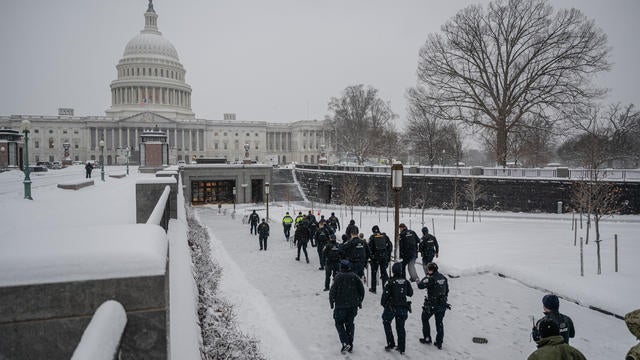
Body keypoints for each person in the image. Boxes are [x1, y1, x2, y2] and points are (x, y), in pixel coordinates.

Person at [329, 259, 365, 354]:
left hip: (340, 306)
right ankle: (350, 344)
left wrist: (331, 302)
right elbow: (362, 290)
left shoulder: (338, 277)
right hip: (352, 306)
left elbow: (332, 290)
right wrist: (359, 301)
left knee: (339, 323)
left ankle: (345, 342)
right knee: (350, 324)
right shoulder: (355, 276)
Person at [381, 262, 413, 354]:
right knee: (401, 327)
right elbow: (410, 293)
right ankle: (401, 347)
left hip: (392, 307)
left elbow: (384, 297)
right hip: (403, 307)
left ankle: (391, 343)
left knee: (386, 322)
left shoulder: (390, 282)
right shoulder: (405, 281)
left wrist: (384, 304)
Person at [417, 262, 449, 350]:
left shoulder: (430, 278)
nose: (428, 271)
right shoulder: (443, 277)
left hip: (432, 305)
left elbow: (420, 286)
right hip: (442, 304)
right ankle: (439, 342)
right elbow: (447, 290)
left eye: (428, 270)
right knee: (439, 323)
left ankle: (427, 338)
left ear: (431, 270)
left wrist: (426, 276)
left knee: (424, 318)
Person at [368, 225, 392, 293]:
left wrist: (371, 257)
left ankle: (373, 288)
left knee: (374, 273)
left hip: (375, 258)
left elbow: (370, 248)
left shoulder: (372, 237)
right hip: (383, 257)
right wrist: (387, 256)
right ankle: (385, 288)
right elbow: (390, 246)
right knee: (383, 273)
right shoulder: (385, 236)